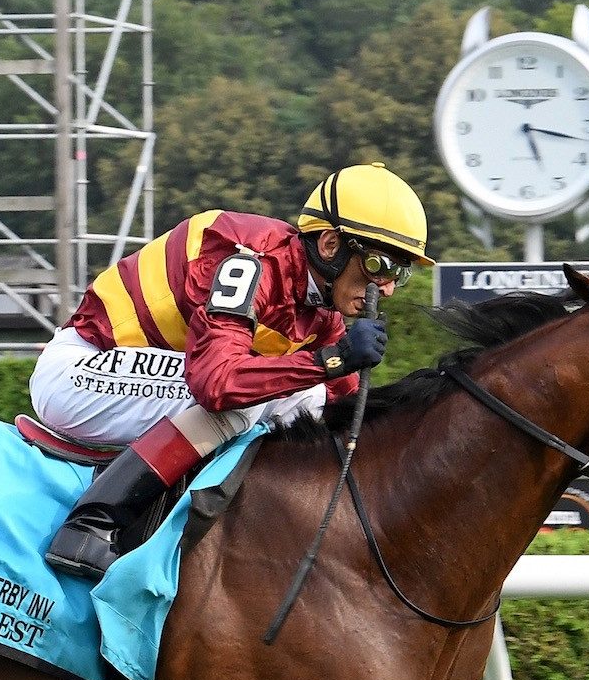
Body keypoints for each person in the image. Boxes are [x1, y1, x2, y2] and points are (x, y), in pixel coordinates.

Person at [32, 162, 432, 579]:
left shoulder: (321, 308)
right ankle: (92, 524)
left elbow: (343, 412)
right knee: (242, 403)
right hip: (82, 371)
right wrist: (332, 359)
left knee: (309, 400)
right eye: (380, 266)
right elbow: (216, 384)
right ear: (331, 245)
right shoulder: (248, 262)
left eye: (400, 274)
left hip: (147, 379)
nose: (388, 288)